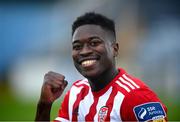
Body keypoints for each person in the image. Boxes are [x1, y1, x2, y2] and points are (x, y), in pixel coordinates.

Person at [35, 12, 168, 122]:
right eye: (77, 47)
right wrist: (44, 105)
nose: (84, 51)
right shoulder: (75, 93)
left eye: (94, 43)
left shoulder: (136, 97)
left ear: (115, 49)